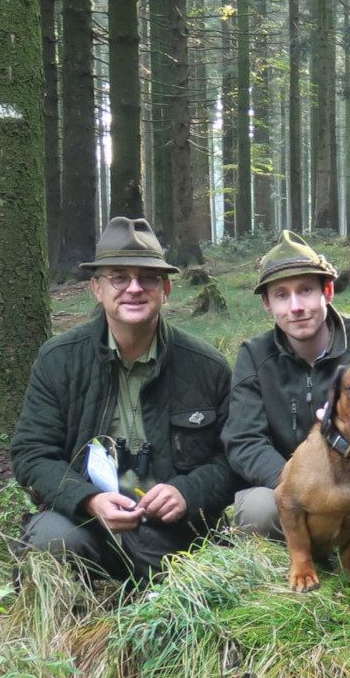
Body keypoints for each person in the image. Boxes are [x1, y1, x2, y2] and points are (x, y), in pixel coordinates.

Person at [12, 217, 234, 584]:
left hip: (174, 529)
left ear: (166, 289)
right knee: (51, 541)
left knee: (201, 578)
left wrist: (187, 492)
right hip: (85, 524)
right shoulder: (59, 360)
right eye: (119, 277)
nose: (134, 288)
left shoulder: (205, 366)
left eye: (147, 277)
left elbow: (232, 458)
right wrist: (87, 500)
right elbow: (32, 453)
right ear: (97, 288)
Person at [221, 230, 350, 539]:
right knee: (256, 509)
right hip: (287, 484)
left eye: (306, 290)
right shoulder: (254, 356)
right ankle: (292, 572)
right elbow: (244, 440)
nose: (296, 306)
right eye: (282, 295)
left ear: (327, 291)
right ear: (267, 304)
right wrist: (300, 482)